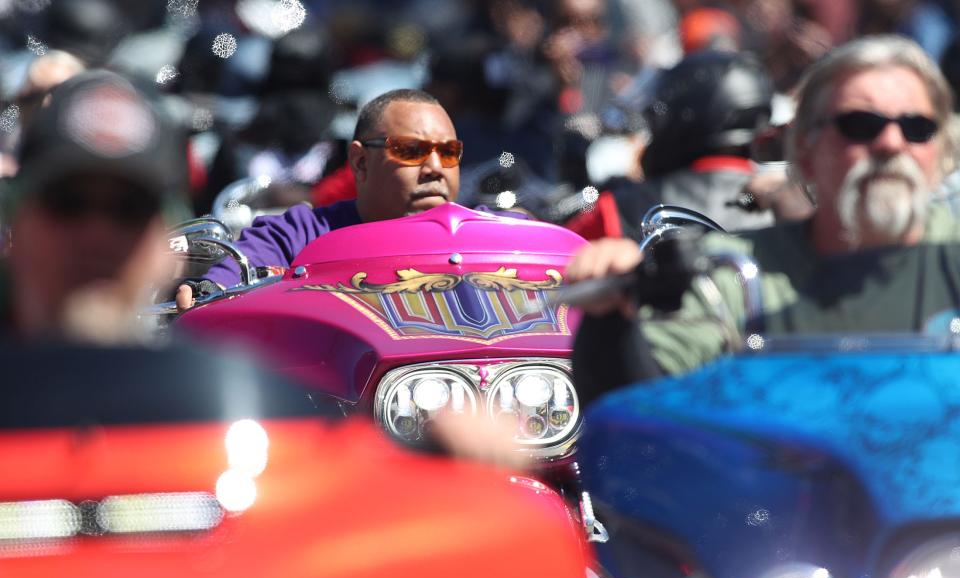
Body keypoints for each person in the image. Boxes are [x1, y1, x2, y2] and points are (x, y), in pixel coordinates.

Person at [566, 35, 960, 402]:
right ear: (804, 151)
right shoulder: (735, 275)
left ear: (941, 153)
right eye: (860, 125)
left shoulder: (952, 261)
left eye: (917, 128)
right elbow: (639, 403)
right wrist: (611, 322)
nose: (891, 143)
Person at [177, 88, 516, 309]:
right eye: (411, 150)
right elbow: (241, 269)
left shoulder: (493, 234)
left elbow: (549, 254)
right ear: (360, 161)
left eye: (448, 152)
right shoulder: (304, 234)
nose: (434, 167)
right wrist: (206, 290)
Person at [2, 69, 189, 343]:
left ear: (169, 250)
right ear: (15, 225)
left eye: (129, 210)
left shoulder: (207, 383)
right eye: (68, 203)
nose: (96, 235)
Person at [565, 50, 784, 240]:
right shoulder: (791, 208)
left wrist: (588, 191)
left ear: (685, 117)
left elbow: (562, 251)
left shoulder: (621, 206)